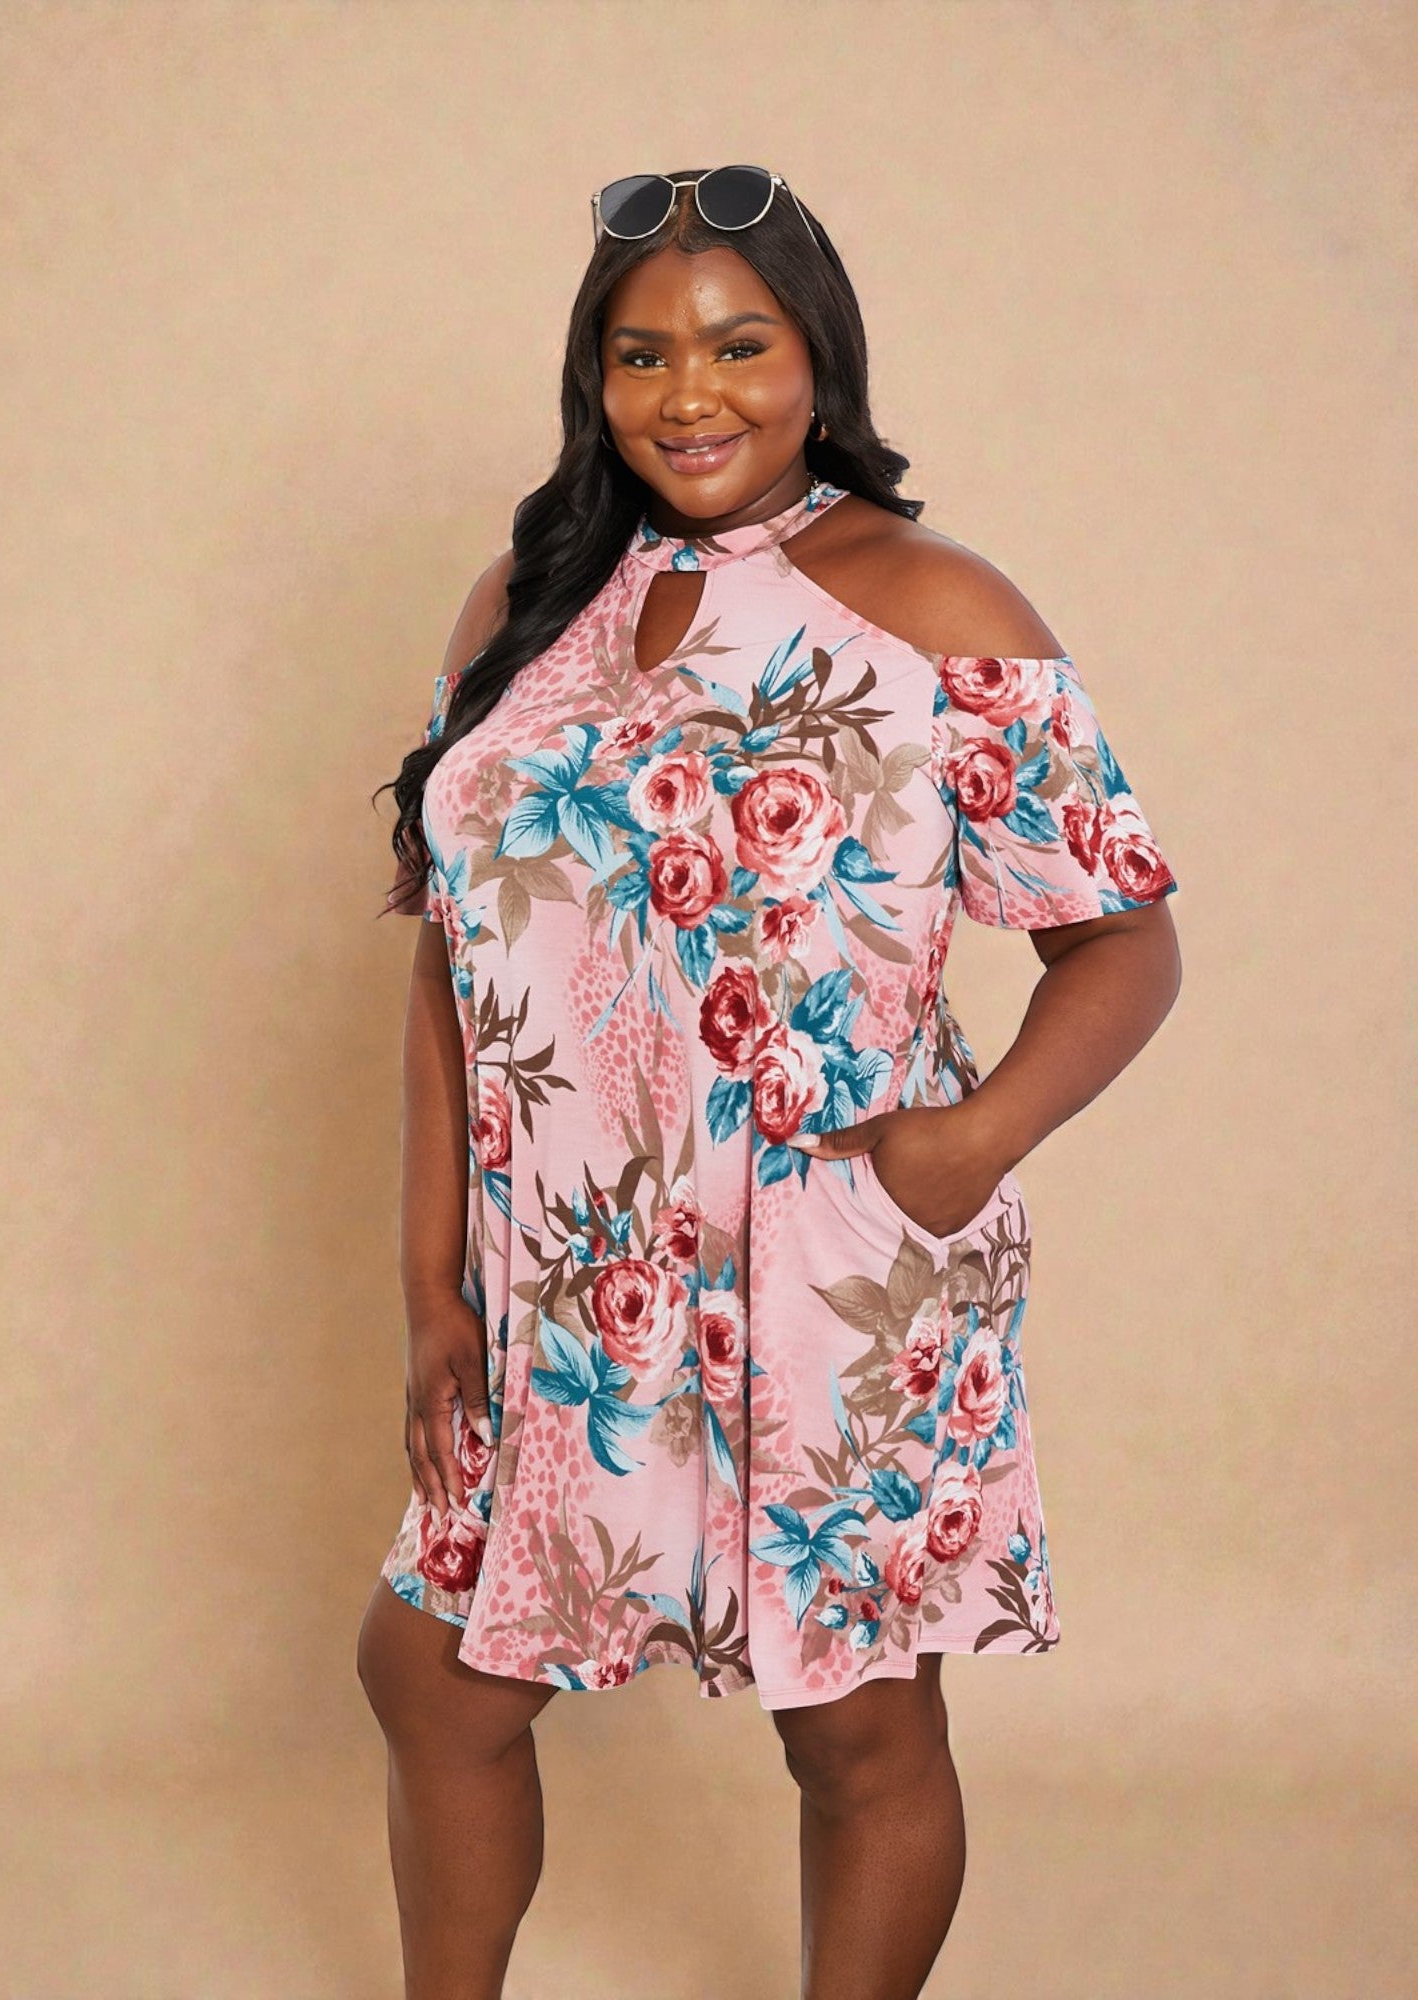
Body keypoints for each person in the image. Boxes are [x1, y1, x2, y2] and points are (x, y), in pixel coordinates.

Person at [357, 165, 1181, 2000]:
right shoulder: (530, 597)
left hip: (833, 1268)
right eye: (640, 356)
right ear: (595, 379)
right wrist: (430, 1286)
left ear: (819, 359)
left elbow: (1124, 939)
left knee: (854, 1730)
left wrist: (966, 1146)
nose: (689, 394)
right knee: (433, 1668)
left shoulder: (935, 604)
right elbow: (452, 960)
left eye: (739, 344)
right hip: (572, 1277)